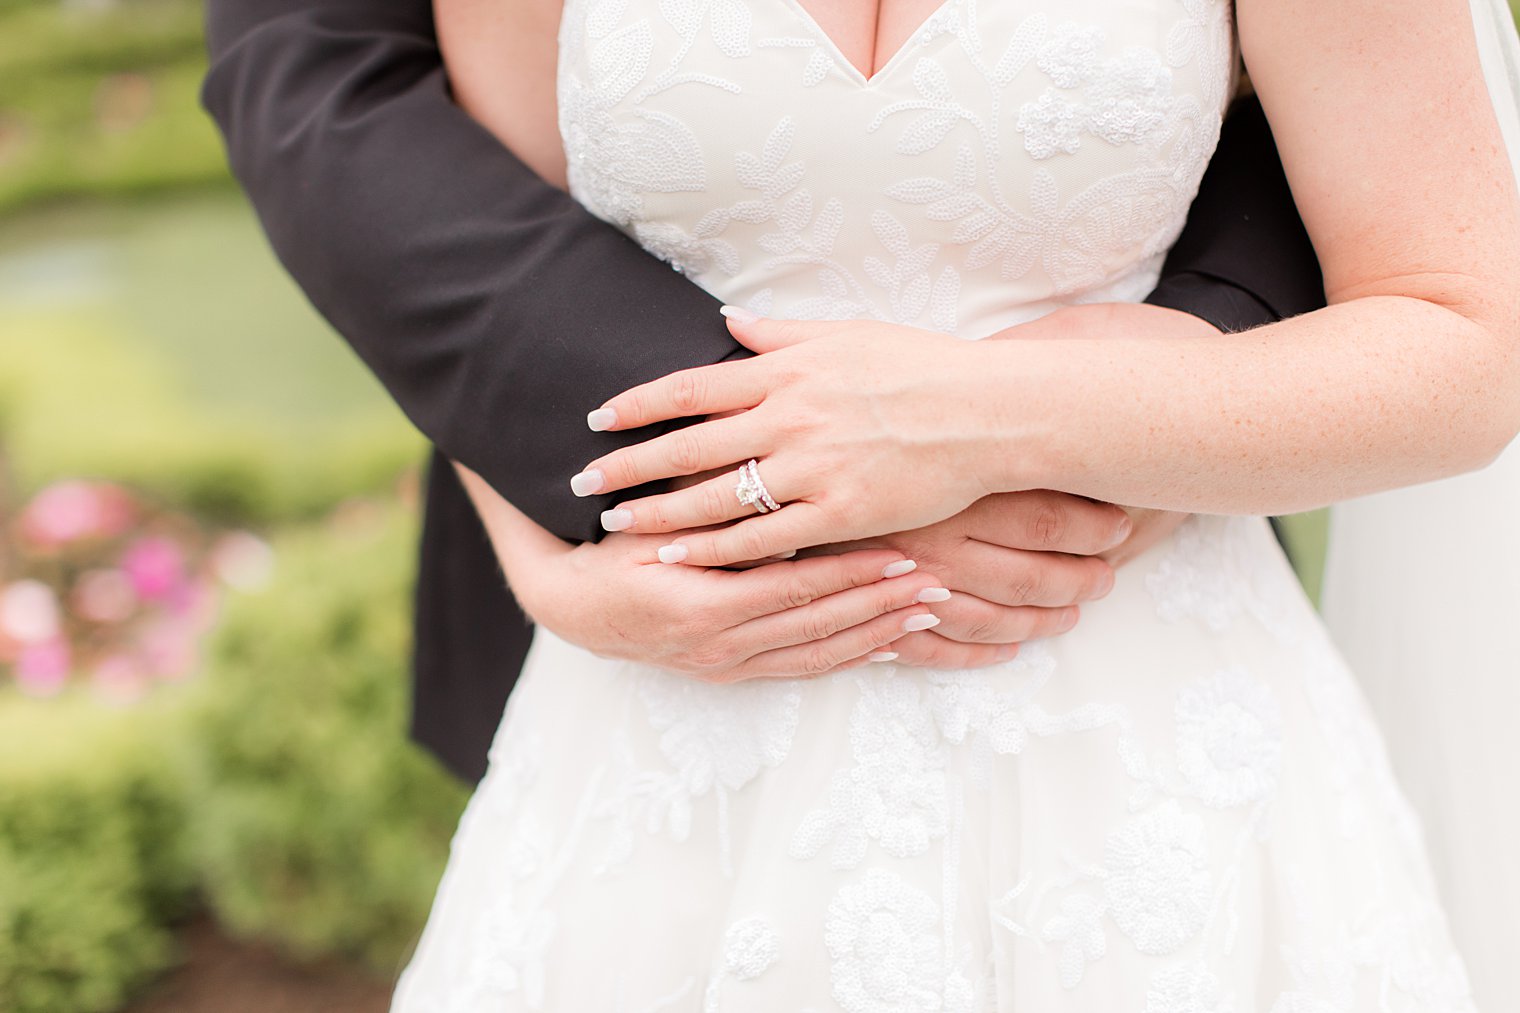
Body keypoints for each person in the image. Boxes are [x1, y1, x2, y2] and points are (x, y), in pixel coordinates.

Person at [376, 0, 1520, 1006]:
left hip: (1137, 738)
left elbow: (1459, 348)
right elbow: (484, 275)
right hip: (668, 739)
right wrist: (540, 563)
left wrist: (984, 412)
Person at [201, 0, 1321, 785]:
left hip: (1134, 635)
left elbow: (1416, 207)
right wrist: (722, 468)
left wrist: (1135, 401)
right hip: (659, 635)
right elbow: (332, 90)